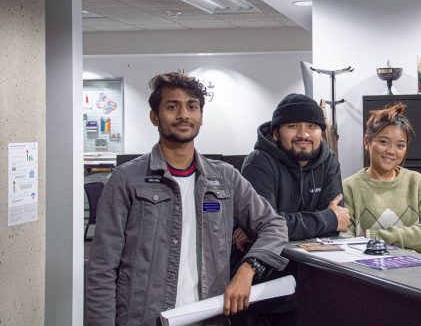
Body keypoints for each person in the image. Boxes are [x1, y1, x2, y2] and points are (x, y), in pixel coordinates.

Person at [86, 72, 289, 326]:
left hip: (208, 316)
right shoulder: (126, 179)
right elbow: (101, 269)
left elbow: (274, 225)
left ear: (201, 117)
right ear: (154, 117)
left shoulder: (225, 178)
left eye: (192, 106)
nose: (184, 115)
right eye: (172, 106)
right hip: (144, 319)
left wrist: (248, 270)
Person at [231, 93, 350, 326]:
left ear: (321, 132)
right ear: (276, 132)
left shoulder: (329, 162)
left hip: (310, 285)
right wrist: (327, 218)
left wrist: (279, 223)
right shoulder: (259, 162)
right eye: (293, 126)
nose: (303, 134)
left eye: (312, 126)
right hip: (260, 290)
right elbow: (263, 228)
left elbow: (337, 227)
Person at [342, 102, 421, 254]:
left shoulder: (417, 183)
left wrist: (376, 237)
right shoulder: (349, 187)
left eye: (400, 145)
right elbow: (344, 242)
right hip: (369, 274)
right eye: (383, 142)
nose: (391, 151)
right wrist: (411, 242)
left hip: (416, 274)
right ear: (367, 142)